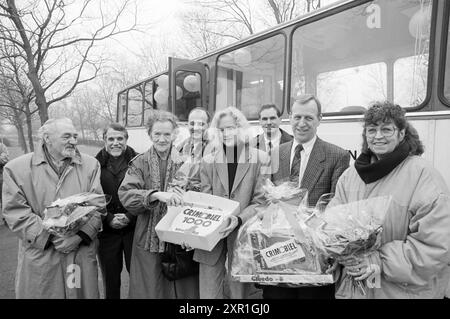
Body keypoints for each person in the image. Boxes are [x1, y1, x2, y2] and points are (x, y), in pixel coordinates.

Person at [329, 101, 450, 299]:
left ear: (401, 134)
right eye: (372, 130)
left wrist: (380, 260)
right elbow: (332, 224)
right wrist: (333, 254)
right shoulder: (350, 176)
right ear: (365, 136)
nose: (378, 136)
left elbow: (436, 245)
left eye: (386, 129)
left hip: (400, 292)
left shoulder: (423, 175)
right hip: (353, 291)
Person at [1, 118, 103, 299]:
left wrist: (78, 237)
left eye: (74, 136)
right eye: (66, 137)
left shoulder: (90, 165)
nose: (73, 141)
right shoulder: (16, 169)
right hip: (42, 255)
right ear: (47, 139)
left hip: (78, 254)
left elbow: (98, 206)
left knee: (81, 294)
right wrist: (50, 236)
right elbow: (15, 213)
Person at [266, 94, 350, 299]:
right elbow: (268, 200)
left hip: (315, 258)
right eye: (297, 117)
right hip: (279, 254)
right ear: (290, 118)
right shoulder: (277, 153)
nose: (301, 124)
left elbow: (335, 209)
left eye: (309, 118)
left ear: (319, 119)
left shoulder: (337, 156)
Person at [118, 111, 199, 299]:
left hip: (181, 233)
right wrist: (155, 195)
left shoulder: (188, 162)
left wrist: (188, 197)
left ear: (174, 135)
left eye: (167, 134)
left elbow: (201, 194)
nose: (162, 139)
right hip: (148, 235)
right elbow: (126, 194)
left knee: (182, 286)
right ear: (150, 134)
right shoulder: (139, 163)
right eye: (157, 134)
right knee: (150, 287)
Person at [194, 106, 270, 299]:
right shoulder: (208, 160)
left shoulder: (260, 158)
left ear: (241, 128)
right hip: (211, 233)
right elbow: (205, 197)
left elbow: (261, 201)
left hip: (242, 232)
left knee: (239, 294)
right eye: (221, 129)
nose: (225, 133)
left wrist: (238, 218)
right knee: (209, 293)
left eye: (230, 128)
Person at [95, 123, 138, 299]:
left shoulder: (138, 162)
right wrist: (108, 218)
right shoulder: (95, 164)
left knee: (137, 277)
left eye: (120, 138)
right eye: (111, 139)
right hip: (107, 231)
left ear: (126, 139)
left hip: (133, 229)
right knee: (110, 279)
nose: (115, 143)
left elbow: (144, 191)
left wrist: (129, 216)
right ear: (104, 140)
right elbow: (92, 195)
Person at [0, 141, 9, 224]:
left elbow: (5, 159)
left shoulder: (1, 146)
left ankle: (6, 218)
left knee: (4, 197)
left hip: (1, 176)